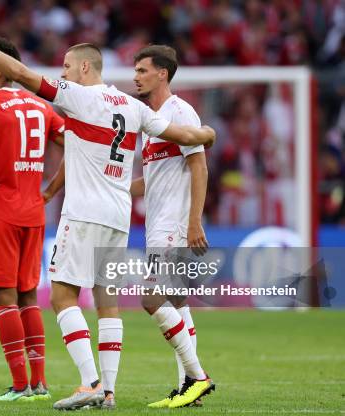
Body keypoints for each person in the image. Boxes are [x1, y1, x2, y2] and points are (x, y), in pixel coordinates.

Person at [0, 6, 216, 411]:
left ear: (86, 68)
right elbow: (186, 135)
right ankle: (108, 392)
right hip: (118, 214)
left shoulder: (80, 96)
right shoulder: (134, 106)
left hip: (85, 212)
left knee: (61, 295)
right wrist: (207, 134)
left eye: (68, 66)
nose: (64, 73)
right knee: (107, 301)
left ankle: (90, 382)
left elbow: (19, 74)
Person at [0, 35, 64, 402]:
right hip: (34, 212)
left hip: (0, 210)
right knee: (28, 298)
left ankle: (20, 385)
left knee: (4, 299)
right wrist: (50, 190)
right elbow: (76, 147)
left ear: (2, 69)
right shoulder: (41, 107)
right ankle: (39, 382)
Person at [130, 45, 215, 409]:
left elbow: (199, 166)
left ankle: (198, 378)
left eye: (142, 70)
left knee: (150, 299)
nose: (136, 77)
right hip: (158, 224)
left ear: (162, 73)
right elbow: (150, 181)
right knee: (177, 302)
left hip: (175, 225)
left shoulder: (181, 112)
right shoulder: (153, 124)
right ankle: (187, 388)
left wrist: (194, 221)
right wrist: (109, 184)